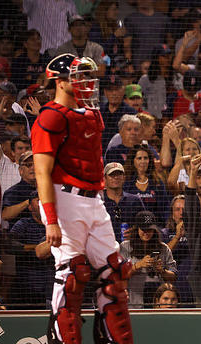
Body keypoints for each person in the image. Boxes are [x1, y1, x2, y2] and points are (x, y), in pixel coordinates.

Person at [31, 54, 133, 343]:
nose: (88, 83)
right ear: (60, 82)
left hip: (94, 198)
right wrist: (51, 221)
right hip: (64, 198)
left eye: (89, 77)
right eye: (80, 77)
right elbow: (42, 173)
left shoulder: (90, 112)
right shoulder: (50, 116)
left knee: (115, 272)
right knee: (73, 274)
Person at [120, 210, 177, 308]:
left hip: (157, 301)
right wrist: (138, 265)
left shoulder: (163, 248)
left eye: (149, 230)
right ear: (137, 229)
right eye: (143, 229)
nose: (146, 233)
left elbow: (174, 277)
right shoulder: (125, 247)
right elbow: (119, 275)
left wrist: (161, 270)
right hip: (134, 301)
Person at [102, 162, 145, 242]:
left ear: (124, 178)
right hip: (103, 247)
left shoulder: (135, 200)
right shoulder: (98, 201)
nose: (116, 177)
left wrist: (136, 232)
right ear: (105, 179)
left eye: (119, 174)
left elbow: (146, 223)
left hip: (129, 248)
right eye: (112, 175)